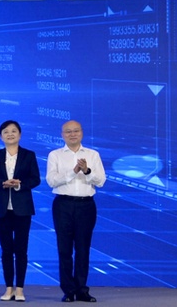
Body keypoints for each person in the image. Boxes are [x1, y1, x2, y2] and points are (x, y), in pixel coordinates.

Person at [46, 120, 106, 303]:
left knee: (83, 249)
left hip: (86, 206)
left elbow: (101, 181)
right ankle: (68, 290)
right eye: (68, 131)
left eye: (76, 131)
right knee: (64, 249)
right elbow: (51, 181)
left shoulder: (93, 154)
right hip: (63, 205)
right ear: (62, 134)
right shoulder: (55, 155)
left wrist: (87, 171)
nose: (72, 134)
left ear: (82, 133)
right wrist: (73, 172)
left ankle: (82, 290)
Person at [0, 120, 41, 302]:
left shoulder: (29, 155)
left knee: (21, 250)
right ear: (1, 136)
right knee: (6, 250)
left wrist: (19, 184)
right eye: (6, 132)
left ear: (20, 135)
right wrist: (2, 183)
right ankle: (8, 288)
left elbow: (35, 179)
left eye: (14, 131)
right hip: (2, 208)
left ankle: (20, 289)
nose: (10, 134)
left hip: (23, 208)